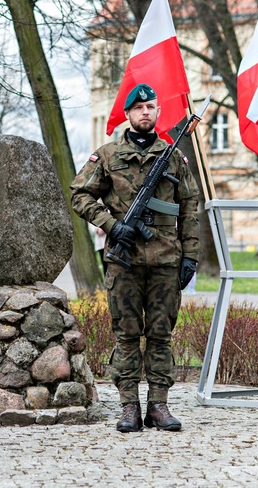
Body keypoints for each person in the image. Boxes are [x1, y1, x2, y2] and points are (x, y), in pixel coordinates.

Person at [70, 83, 201, 433]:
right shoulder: (108, 155)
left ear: (158, 113)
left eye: (151, 107)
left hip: (166, 262)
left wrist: (191, 257)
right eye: (139, 107)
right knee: (126, 335)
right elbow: (79, 194)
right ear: (128, 114)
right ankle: (129, 406)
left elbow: (190, 207)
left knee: (161, 335)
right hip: (123, 262)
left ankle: (158, 405)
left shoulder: (172, 156)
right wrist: (112, 225)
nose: (145, 112)